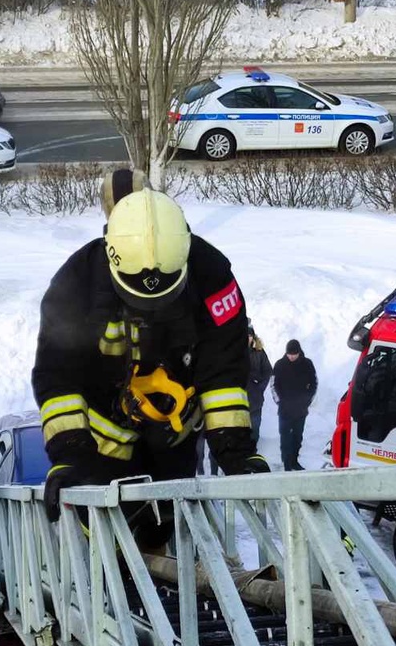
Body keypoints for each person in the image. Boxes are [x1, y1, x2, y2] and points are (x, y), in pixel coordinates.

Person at [34, 178, 267, 542]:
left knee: (166, 535)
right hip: (99, 452)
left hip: (174, 444)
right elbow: (57, 378)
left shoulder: (213, 280)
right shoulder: (74, 285)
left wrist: (237, 454)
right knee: (107, 544)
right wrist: (69, 456)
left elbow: (222, 373)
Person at [197, 323, 273, 474]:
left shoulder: (258, 352)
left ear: (253, 337)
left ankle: (248, 467)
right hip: (232, 405)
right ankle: (216, 471)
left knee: (252, 436)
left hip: (254, 403)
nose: (247, 338)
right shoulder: (233, 351)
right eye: (245, 336)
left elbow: (268, 372)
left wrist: (258, 387)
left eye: (249, 336)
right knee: (224, 440)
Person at [273, 339, 317, 471]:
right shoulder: (279, 365)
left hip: (301, 410)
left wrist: (307, 401)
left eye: (294, 354)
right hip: (285, 410)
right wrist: (280, 402)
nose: (291, 356)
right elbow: (273, 385)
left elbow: (314, 383)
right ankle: (287, 464)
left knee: (297, 437)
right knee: (285, 438)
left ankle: (294, 461)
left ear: (299, 352)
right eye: (289, 354)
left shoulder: (307, 364)